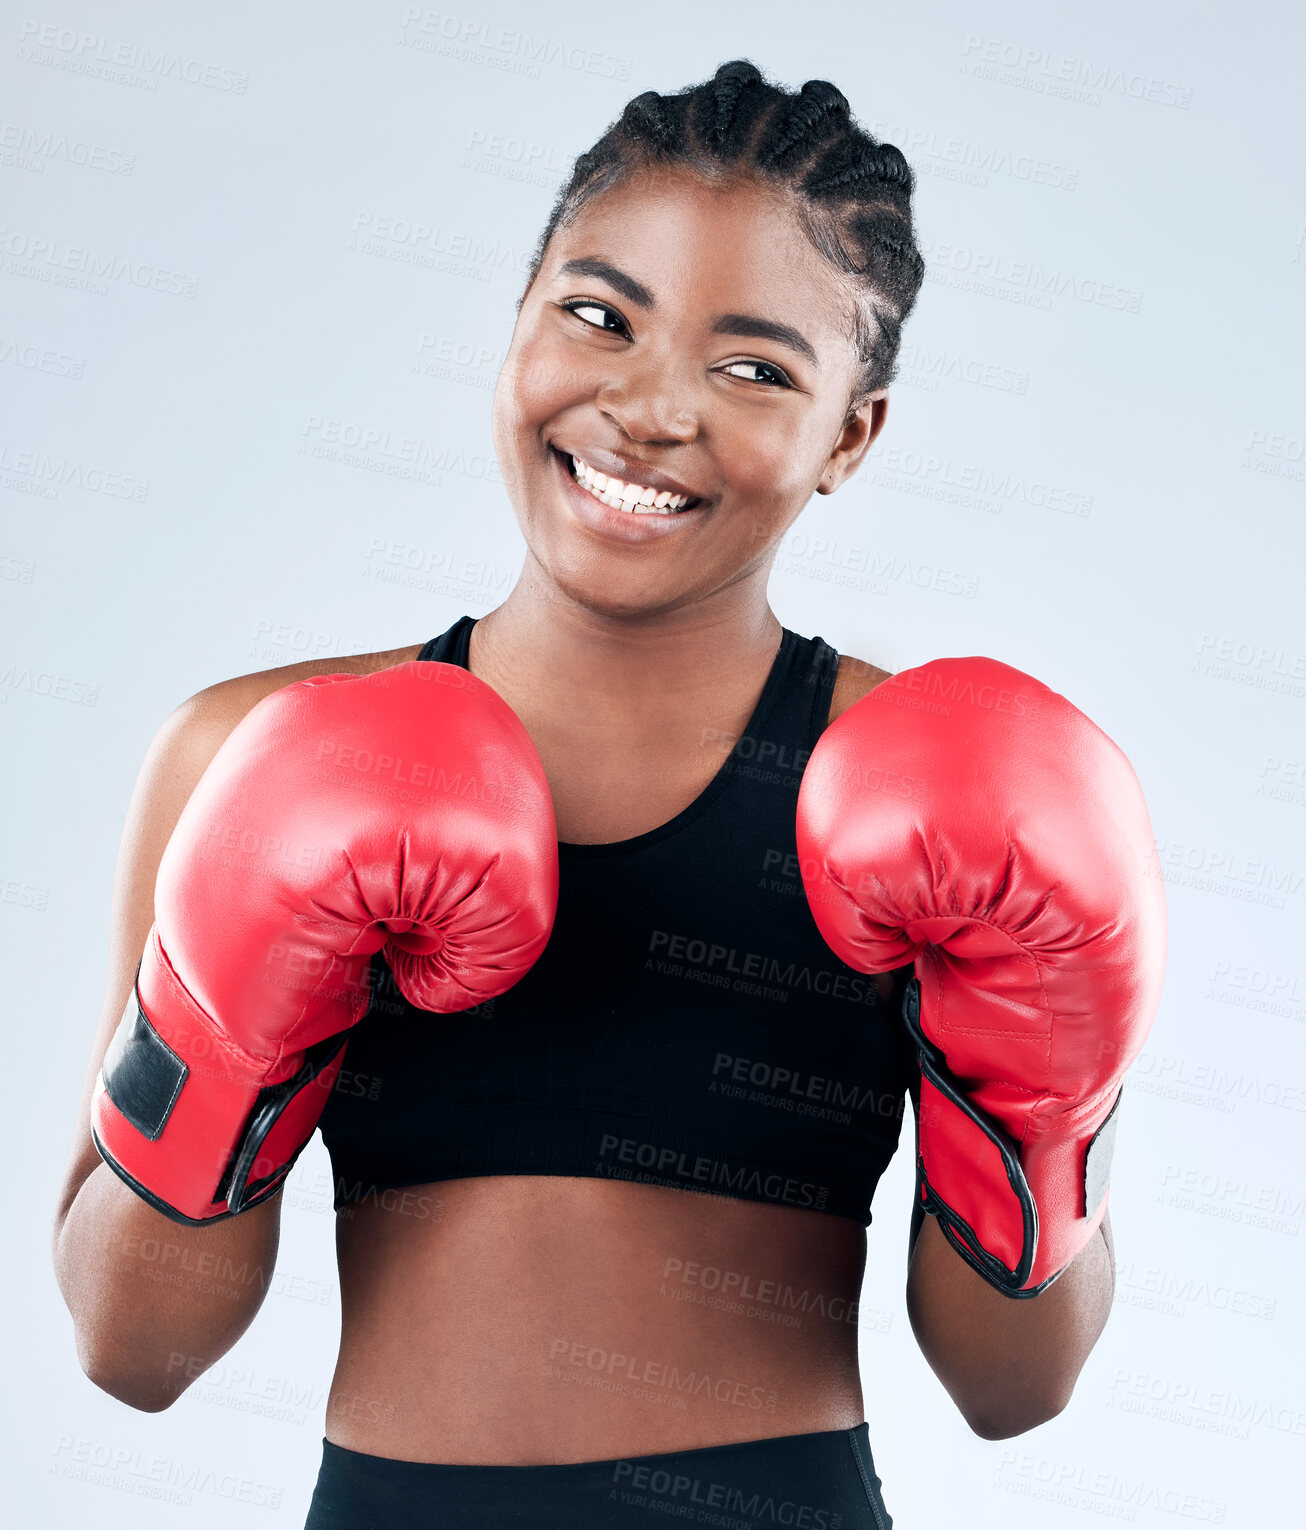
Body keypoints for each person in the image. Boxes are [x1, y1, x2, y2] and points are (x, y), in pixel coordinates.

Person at [52, 61, 1164, 1529]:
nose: (648, 408)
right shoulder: (243, 748)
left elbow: (1010, 1388)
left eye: (754, 367)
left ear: (849, 436)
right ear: (513, 320)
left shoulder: (949, 783)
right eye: (597, 315)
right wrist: (219, 1039)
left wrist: (1029, 1121)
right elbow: (132, 1349)